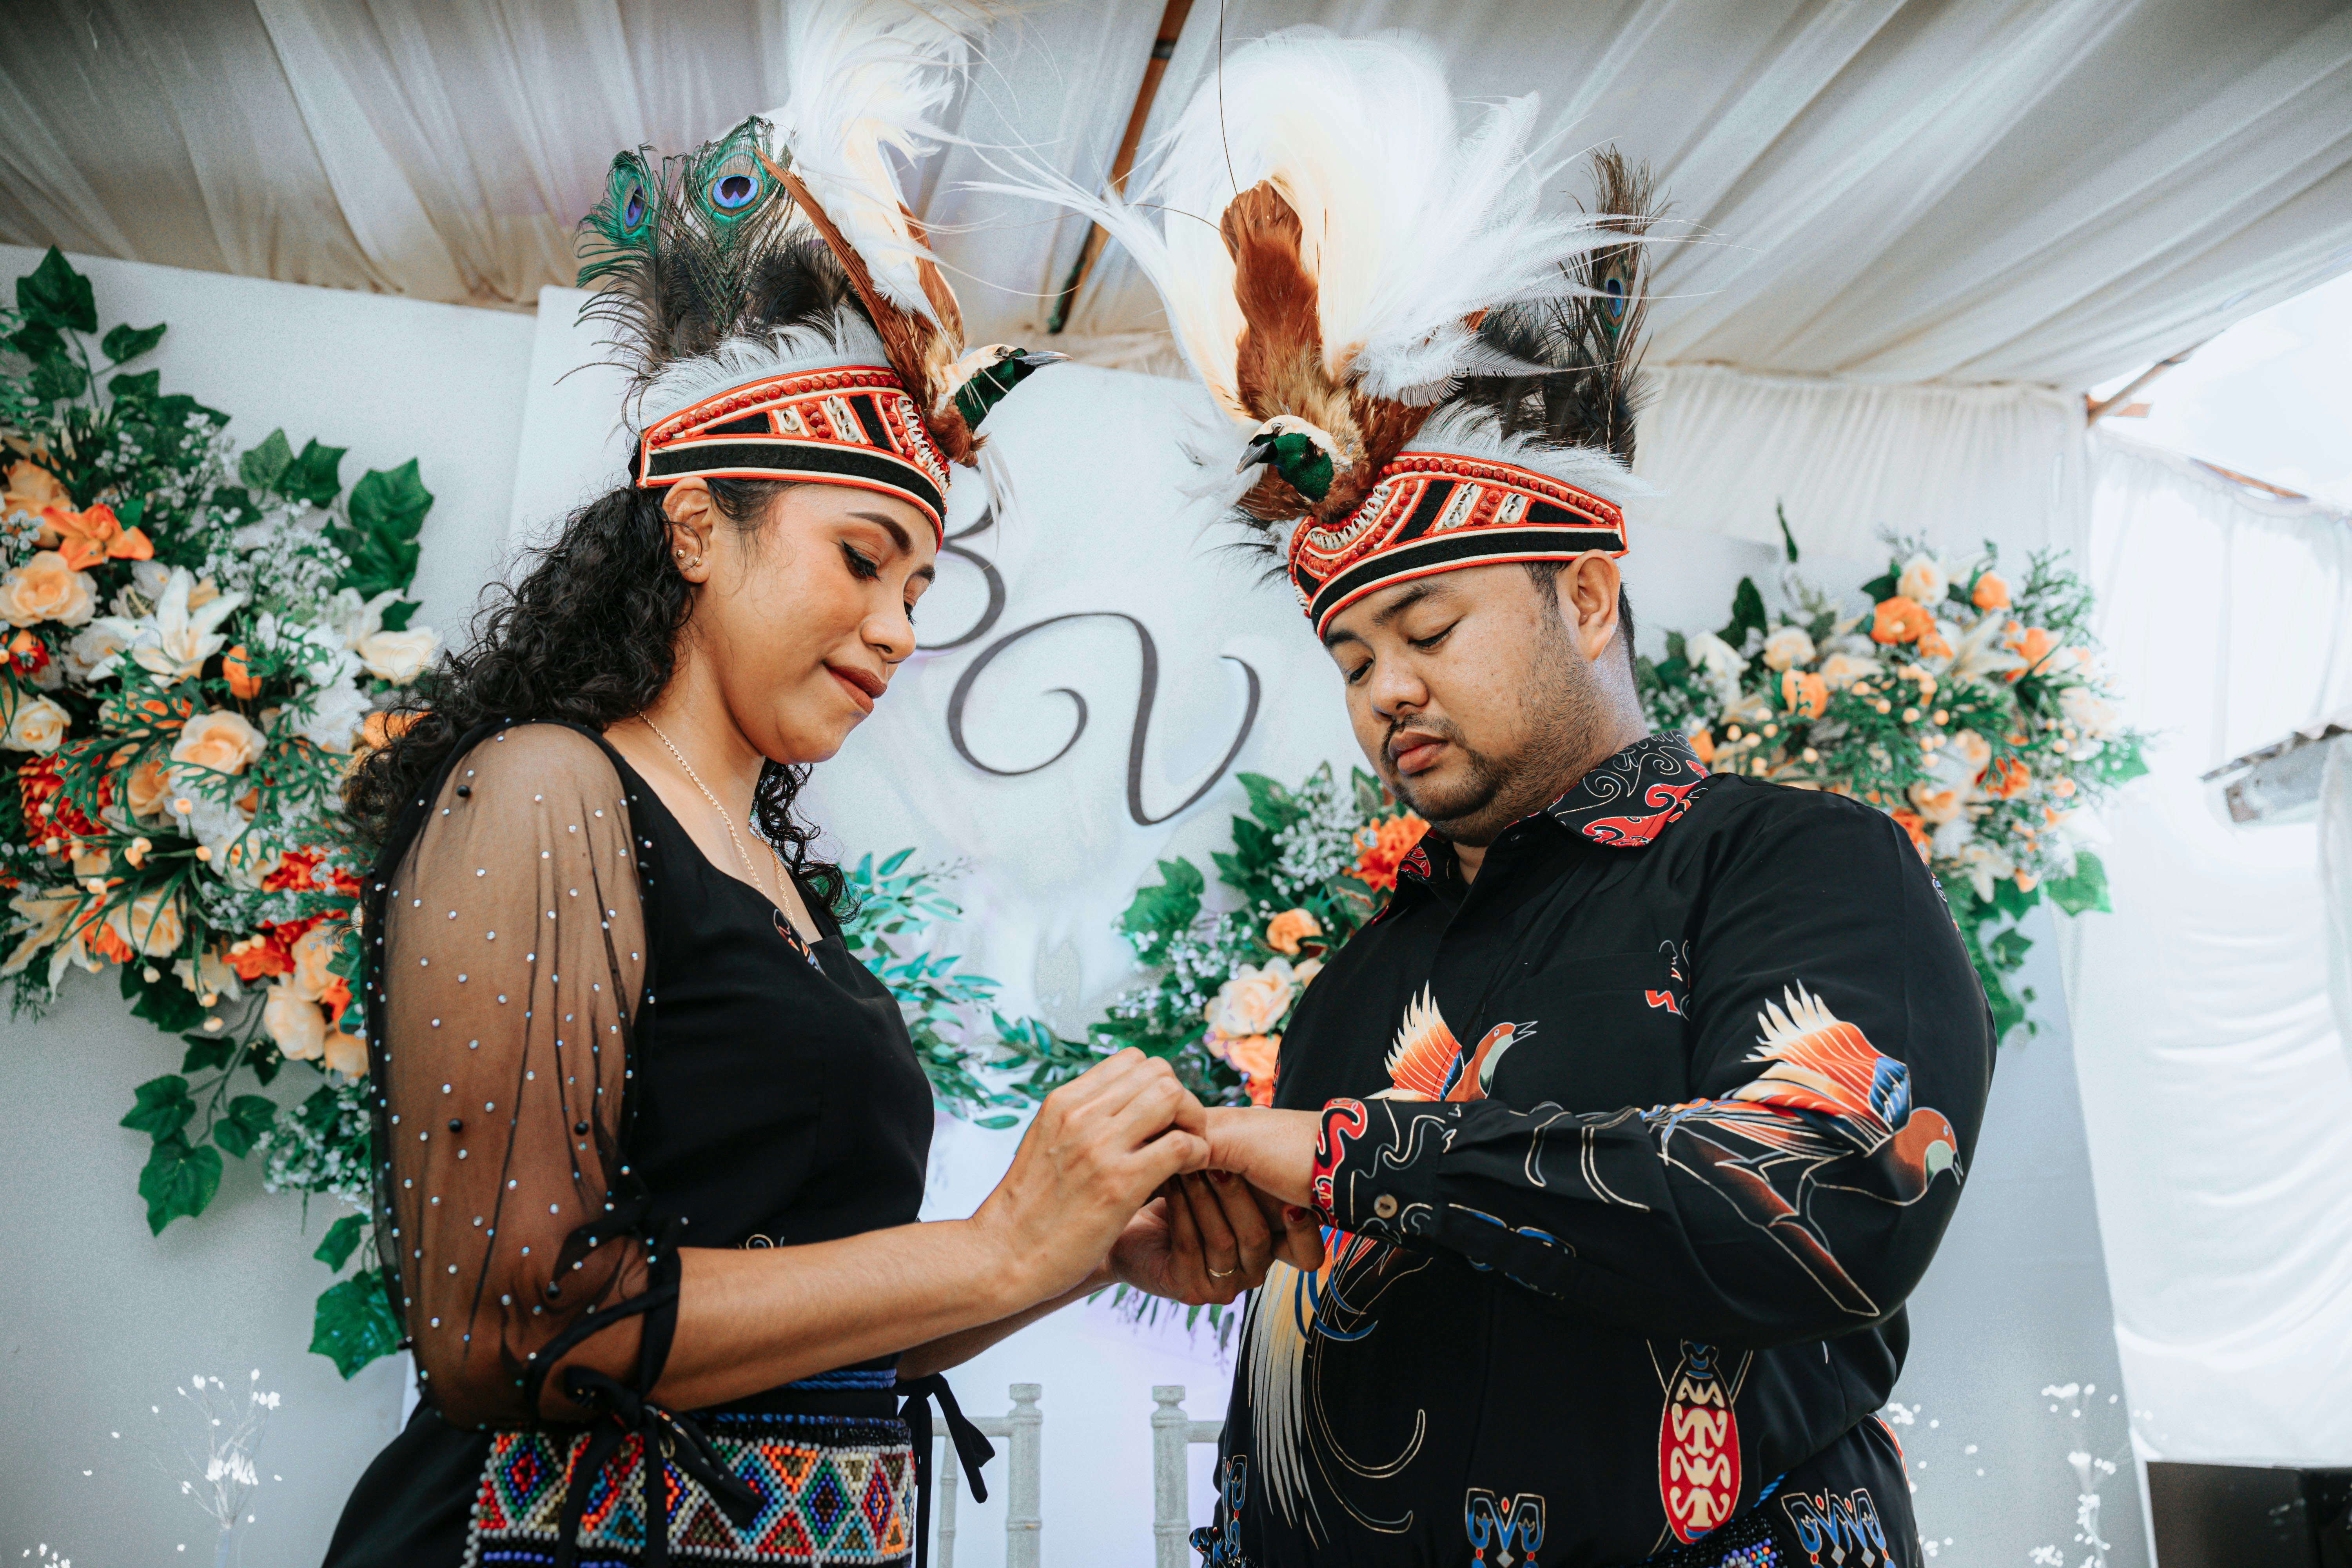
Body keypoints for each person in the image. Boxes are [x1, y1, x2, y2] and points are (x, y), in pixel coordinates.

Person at [325, 9, 1316, 1565]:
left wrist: (1069, 1252)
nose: (897, 632)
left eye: (922, 586)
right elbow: (509, 1328)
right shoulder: (540, 794)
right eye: (863, 562)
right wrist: (990, 1246)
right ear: (699, 525)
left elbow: (815, 1332)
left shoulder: (788, 887)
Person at [1014, 27, 1994, 1568]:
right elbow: (1304, 1391)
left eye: (1427, 630)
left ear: (1587, 595)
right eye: (1349, 653)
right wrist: (1234, 1229)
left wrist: (1353, 1155)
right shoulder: (1360, 976)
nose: (1383, 687)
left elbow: (1832, 1196)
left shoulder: (1799, 864)